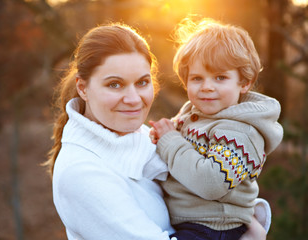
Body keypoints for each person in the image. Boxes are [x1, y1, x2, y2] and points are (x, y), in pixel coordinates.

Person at [45, 22, 270, 240]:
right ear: (83, 88)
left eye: (142, 82)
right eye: (115, 84)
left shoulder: (139, 136)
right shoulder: (82, 172)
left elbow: (210, 180)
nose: (133, 99)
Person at [149, 18, 284, 240]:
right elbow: (179, 146)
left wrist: (170, 140)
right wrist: (162, 135)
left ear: (244, 83)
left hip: (214, 227)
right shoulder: (194, 113)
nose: (207, 87)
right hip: (188, 222)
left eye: (220, 77)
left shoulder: (242, 132)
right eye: (197, 78)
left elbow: (211, 182)